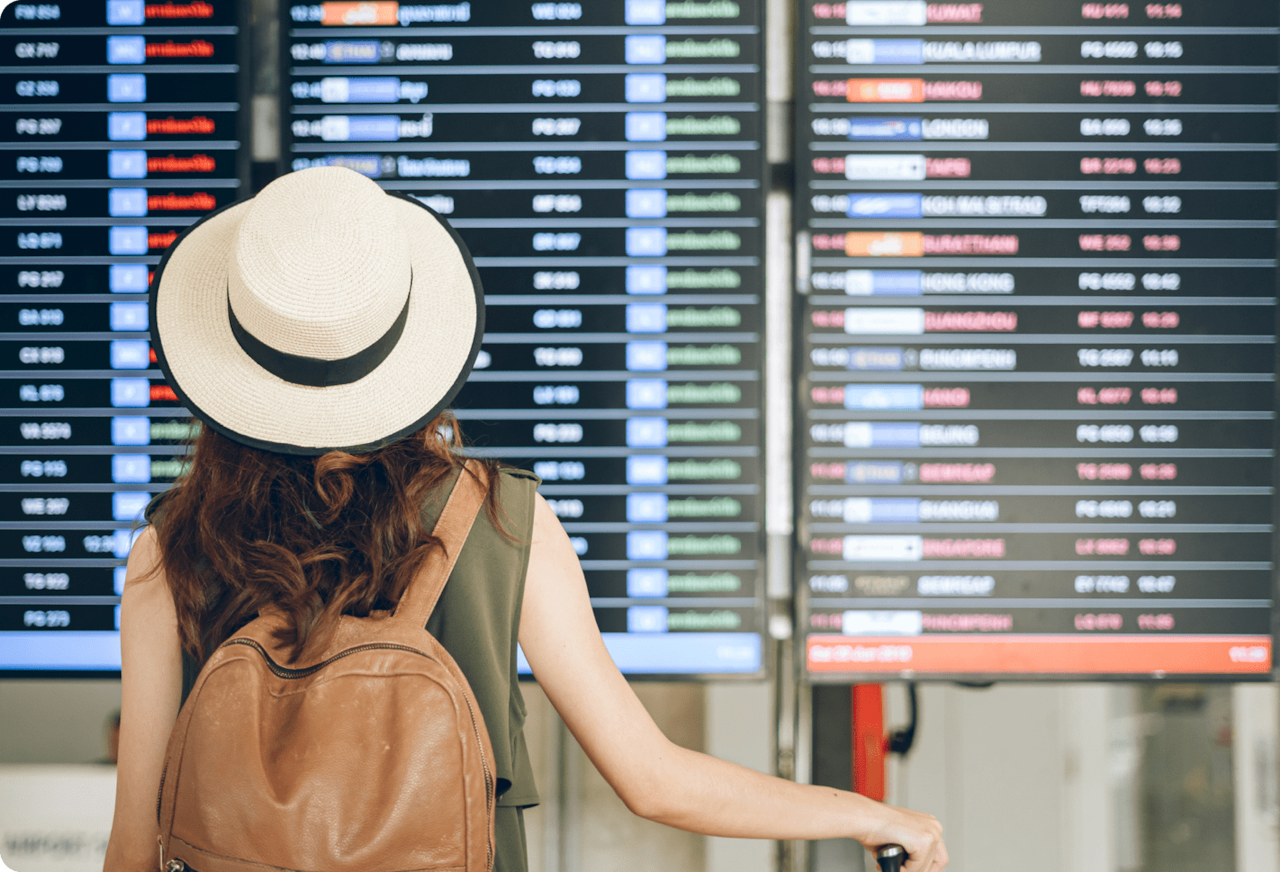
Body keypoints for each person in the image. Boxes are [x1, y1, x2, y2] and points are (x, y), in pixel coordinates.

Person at [103, 167, 947, 872]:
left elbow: (134, 852)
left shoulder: (166, 552)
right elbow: (650, 779)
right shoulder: (502, 521)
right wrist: (868, 814)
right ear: (406, 351)